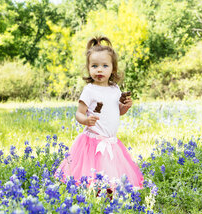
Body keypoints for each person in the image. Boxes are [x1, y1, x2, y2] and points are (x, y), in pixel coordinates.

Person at [54, 36, 144, 191]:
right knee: (91, 174)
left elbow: (118, 112)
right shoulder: (90, 90)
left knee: (111, 174)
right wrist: (86, 120)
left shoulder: (115, 89)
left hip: (111, 141)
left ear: (113, 69)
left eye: (104, 65)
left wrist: (126, 107)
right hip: (92, 142)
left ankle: (109, 195)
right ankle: (93, 194)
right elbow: (79, 114)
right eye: (94, 66)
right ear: (88, 68)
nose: (99, 69)